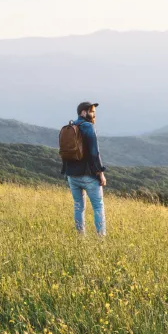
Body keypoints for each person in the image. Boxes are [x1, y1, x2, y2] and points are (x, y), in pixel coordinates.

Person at [61, 101, 107, 236]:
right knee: (98, 207)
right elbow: (94, 153)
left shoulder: (71, 126)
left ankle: (81, 238)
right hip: (88, 175)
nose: (94, 114)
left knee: (78, 207)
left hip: (72, 175)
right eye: (91, 111)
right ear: (83, 112)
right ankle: (101, 240)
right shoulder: (88, 127)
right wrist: (101, 173)